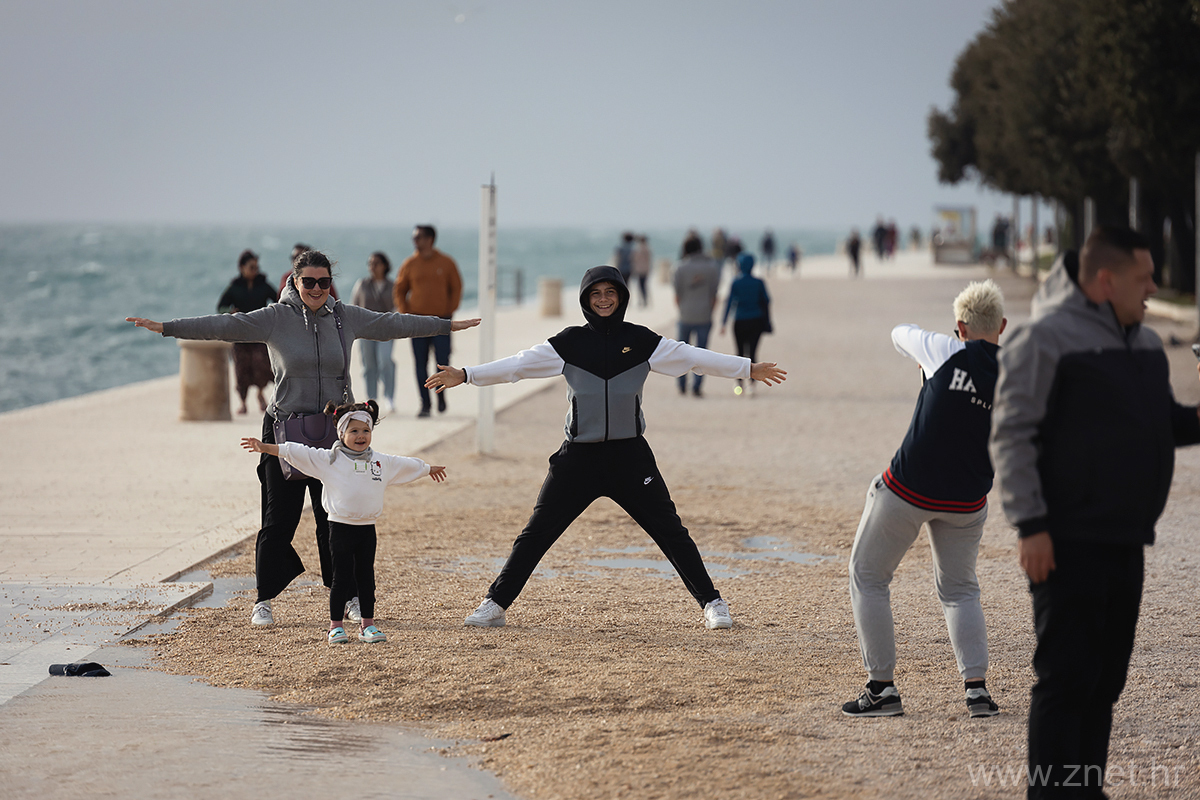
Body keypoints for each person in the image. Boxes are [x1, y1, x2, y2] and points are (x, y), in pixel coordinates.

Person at [127, 249, 479, 626]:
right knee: (278, 519)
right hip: (285, 429)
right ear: (295, 281)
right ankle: (263, 599)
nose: (316, 288)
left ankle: (348, 596)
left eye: (323, 282)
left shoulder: (344, 317)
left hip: (334, 435)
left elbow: (392, 323)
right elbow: (224, 326)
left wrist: (445, 325)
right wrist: (167, 327)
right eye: (308, 281)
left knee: (335, 519)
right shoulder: (276, 318)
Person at [424, 267, 787, 631]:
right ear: (585, 299)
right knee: (536, 533)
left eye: (610, 292)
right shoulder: (569, 343)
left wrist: (747, 368)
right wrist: (466, 374)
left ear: (621, 297)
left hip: (630, 457)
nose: (603, 299)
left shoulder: (642, 341)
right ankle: (496, 604)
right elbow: (518, 365)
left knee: (671, 532)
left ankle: (712, 603)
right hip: (578, 458)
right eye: (595, 293)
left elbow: (693, 357)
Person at [990, 226, 1200, 797]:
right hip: (1065, 539)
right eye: (1144, 277)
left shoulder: (1147, 345)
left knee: (1105, 681)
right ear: (1106, 280)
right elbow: (1011, 435)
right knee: (1066, 679)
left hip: (1127, 539)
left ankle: (1085, 789)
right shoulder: (1044, 338)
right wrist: (1031, 526)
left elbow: (1164, 423)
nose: (1153, 287)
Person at [842, 280, 1006, 720]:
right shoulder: (1018, 375)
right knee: (960, 589)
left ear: (961, 328)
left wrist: (927, 356)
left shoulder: (945, 350)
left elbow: (900, 332)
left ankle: (882, 688)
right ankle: (977, 691)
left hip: (908, 488)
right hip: (968, 499)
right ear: (1002, 326)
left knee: (867, 576)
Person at [241, 399, 447, 645]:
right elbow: (297, 451)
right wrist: (265, 447)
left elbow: (404, 464)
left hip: (367, 530)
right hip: (339, 529)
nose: (361, 436)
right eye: (354, 431)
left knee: (366, 579)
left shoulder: (379, 462)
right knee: (341, 579)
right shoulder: (329, 460)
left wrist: (427, 469)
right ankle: (335, 627)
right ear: (341, 434)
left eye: (366, 430)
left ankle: (367, 625)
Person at [393, 225, 463, 418]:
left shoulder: (446, 262)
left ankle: (441, 397)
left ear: (430, 239)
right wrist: (405, 314)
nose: (415, 241)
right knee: (420, 364)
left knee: (442, 362)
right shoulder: (409, 264)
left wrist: (449, 310)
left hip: (441, 322)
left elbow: (456, 287)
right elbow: (400, 289)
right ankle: (425, 404)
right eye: (414, 238)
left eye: (419, 238)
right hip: (418, 323)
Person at [218, 249, 278, 415]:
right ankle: (243, 402)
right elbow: (221, 306)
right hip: (240, 335)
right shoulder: (235, 287)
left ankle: (260, 393)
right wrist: (230, 312)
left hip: (259, 334)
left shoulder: (263, 285)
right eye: (251, 267)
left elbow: (278, 300)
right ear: (242, 267)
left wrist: (271, 314)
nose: (255, 270)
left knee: (263, 365)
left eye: (256, 267)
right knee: (241, 368)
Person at [672, 235, 722, 397]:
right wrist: (710, 311)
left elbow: (677, 295)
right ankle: (697, 386)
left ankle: (681, 384)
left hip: (685, 315)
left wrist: (682, 310)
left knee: (681, 353)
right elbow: (714, 295)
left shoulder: (680, 267)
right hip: (704, 314)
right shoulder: (712, 267)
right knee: (702, 354)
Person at [351, 251, 397, 414]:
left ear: (384, 265)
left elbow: (397, 307)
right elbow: (354, 306)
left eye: (376, 263)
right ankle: (371, 398)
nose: (372, 267)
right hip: (366, 331)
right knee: (368, 365)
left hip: (386, 332)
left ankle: (389, 397)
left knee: (386, 361)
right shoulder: (362, 284)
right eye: (370, 263)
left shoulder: (392, 286)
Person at [720, 253, 771, 397]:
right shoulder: (759, 282)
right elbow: (767, 301)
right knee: (753, 352)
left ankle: (739, 382)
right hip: (756, 320)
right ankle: (752, 384)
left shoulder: (736, 282)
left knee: (739, 352)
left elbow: (729, 302)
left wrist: (723, 322)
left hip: (740, 320)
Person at [632, 235, 652, 307]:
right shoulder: (648, 248)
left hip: (639, 269)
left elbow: (635, 260)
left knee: (640, 286)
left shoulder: (638, 249)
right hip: (645, 269)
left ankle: (642, 300)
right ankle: (645, 299)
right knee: (644, 285)